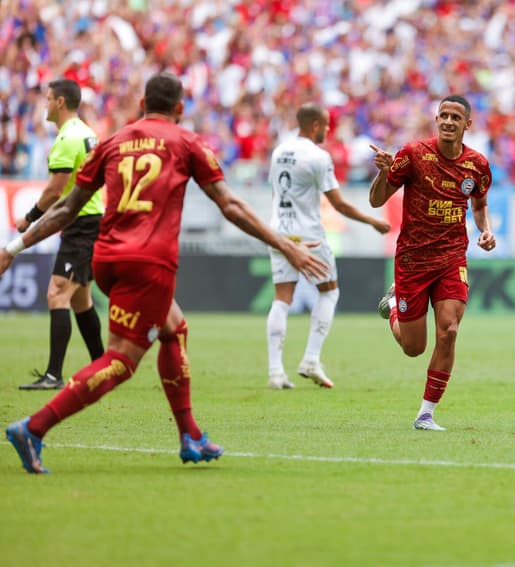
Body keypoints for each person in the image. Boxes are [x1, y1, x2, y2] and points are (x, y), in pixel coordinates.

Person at [2, 72, 328, 474]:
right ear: (180, 108)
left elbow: (67, 208)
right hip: (148, 262)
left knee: (174, 327)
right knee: (120, 360)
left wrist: (13, 248)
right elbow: (230, 206)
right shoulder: (186, 142)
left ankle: (190, 435)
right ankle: (33, 428)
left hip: (106, 258)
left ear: (142, 103)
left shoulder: (114, 141)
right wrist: (285, 245)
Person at [368, 95, 496, 431]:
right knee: (413, 348)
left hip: (452, 257)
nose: (449, 122)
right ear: (436, 120)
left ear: (468, 124)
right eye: (443, 115)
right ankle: (394, 304)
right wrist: (383, 174)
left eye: (456, 117)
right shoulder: (413, 154)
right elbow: (376, 200)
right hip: (412, 259)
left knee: (449, 330)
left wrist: (486, 231)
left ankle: (425, 414)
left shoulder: (478, 166)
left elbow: (480, 205)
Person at [265, 102, 390, 390]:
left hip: (280, 234)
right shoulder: (318, 157)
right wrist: (371, 220)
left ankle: (275, 372)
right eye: (327, 126)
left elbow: (276, 192)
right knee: (329, 293)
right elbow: (339, 203)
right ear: (316, 126)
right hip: (308, 236)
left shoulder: (279, 151)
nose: (328, 131)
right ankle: (310, 358)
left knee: (281, 300)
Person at [17, 79, 105, 390]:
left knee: (57, 293)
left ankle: (54, 375)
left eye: (48, 99)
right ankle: (102, 366)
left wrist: (29, 219)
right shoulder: (87, 132)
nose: (44, 104)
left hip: (81, 223)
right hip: (89, 219)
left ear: (60, 103)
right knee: (80, 299)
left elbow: (55, 190)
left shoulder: (68, 138)